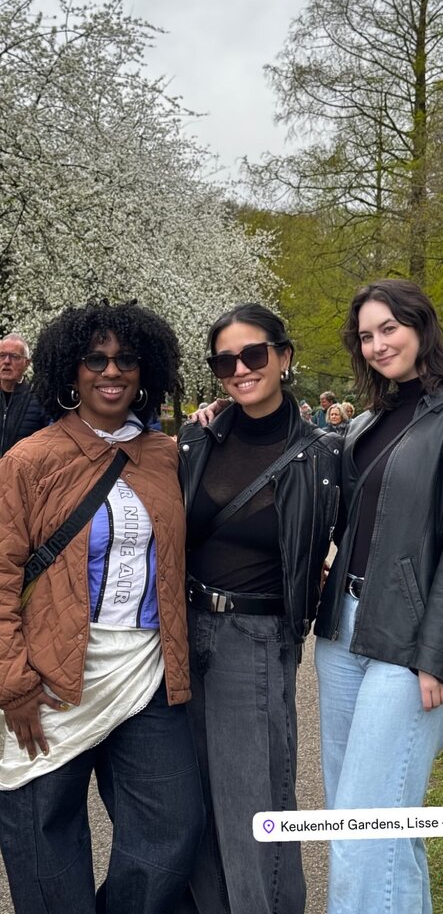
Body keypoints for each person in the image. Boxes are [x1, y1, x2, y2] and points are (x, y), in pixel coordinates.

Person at [0, 301, 205, 914]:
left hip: (146, 672)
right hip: (48, 675)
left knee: (172, 827)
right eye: (95, 359)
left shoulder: (165, 454)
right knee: (46, 836)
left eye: (126, 359)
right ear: (72, 369)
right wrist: (12, 682)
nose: (111, 371)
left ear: (147, 371)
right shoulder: (29, 460)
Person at [314, 279, 443, 914]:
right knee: (370, 820)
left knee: (365, 829)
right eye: (366, 335)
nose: (378, 344)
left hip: (409, 637)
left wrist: (439, 655)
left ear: (421, 326)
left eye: (389, 328)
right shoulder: (364, 423)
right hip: (342, 630)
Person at [177, 303, 341, 914]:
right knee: (195, 803)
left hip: (255, 637)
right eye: (226, 362)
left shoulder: (322, 455)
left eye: (253, 355)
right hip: (185, 631)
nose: (241, 370)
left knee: (255, 802)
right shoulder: (198, 440)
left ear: (284, 356)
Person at [0, 332, 47, 456]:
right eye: (2, 355)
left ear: (26, 363)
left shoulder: (39, 399)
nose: (6, 361)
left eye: (14, 356)